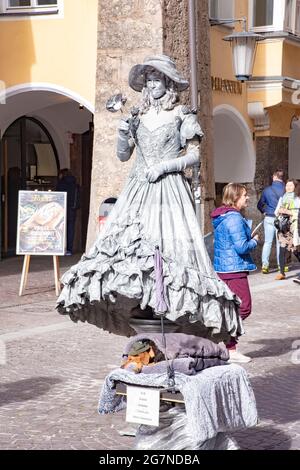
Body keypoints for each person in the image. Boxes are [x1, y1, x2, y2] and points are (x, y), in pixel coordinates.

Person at [56, 55, 242, 341]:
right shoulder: (137, 117)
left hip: (169, 190)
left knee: (169, 248)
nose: (152, 85)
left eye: (157, 80)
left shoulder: (182, 115)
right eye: (149, 80)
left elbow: (194, 155)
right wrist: (121, 134)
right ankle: (145, 312)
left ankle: (171, 310)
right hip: (138, 189)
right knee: (132, 249)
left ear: (168, 84)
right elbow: (123, 155)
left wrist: (165, 166)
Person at [211, 183, 259, 363]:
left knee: (231, 308)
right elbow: (241, 247)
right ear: (235, 197)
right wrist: (254, 241)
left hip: (225, 268)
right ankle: (224, 335)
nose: (247, 198)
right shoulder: (234, 218)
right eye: (244, 195)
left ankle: (230, 347)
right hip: (234, 269)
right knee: (244, 307)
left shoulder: (223, 216)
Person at [257, 169, 285, 273]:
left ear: (274, 177)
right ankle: (280, 265)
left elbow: (259, 205)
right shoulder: (286, 189)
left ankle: (265, 266)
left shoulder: (267, 190)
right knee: (280, 243)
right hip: (281, 219)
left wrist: (264, 211)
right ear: (282, 178)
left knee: (267, 242)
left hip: (269, 217)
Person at [274, 180, 300, 280]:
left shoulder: (297, 199)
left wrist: (286, 211)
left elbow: (297, 213)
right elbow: (276, 211)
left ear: (295, 187)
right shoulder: (282, 198)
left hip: (293, 228)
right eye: (287, 185)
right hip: (283, 228)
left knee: (295, 250)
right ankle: (281, 273)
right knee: (282, 249)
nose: (288, 187)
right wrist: (282, 211)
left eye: (290, 185)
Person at [56, 168, 80, 255]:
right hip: (72, 209)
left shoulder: (61, 184)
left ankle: (61, 248)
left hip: (62, 209)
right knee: (71, 229)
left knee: (60, 229)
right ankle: (69, 249)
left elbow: (57, 196)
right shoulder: (75, 184)